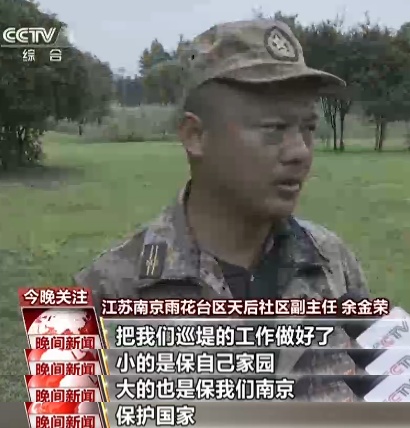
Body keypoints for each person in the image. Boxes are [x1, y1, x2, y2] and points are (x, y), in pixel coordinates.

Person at [74, 19, 371, 401]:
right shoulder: (105, 291)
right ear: (196, 136)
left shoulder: (333, 264)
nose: (300, 151)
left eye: (308, 128)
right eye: (274, 128)